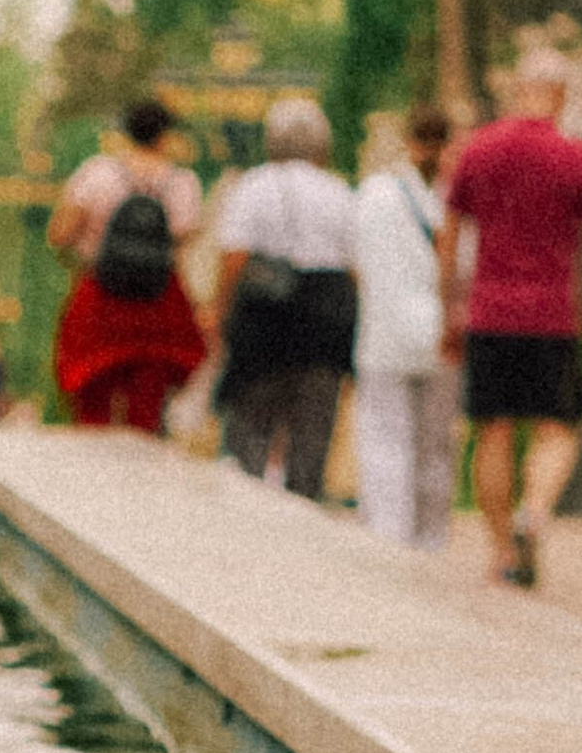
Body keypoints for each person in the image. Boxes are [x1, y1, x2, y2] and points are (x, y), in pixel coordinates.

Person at [439, 49, 582, 590]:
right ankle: (533, 514)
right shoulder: (580, 158)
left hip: (488, 312)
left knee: (492, 431)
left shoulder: (478, 150)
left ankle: (500, 551)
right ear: (562, 95)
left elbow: (450, 236)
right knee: (556, 430)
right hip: (552, 316)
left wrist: (451, 306)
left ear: (518, 89)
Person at [207, 95, 359, 499]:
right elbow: (355, 268)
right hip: (325, 320)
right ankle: (304, 515)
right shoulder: (339, 191)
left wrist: (220, 310)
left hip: (265, 318)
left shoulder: (254, 186)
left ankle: (245, 512)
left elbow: (235, 256)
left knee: (251, 428)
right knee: (311, 434)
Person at [46, 97, 207, 430]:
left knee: (92, 400)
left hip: (101, 295)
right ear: (165, 136)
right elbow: (185, 238)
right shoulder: (183, 183)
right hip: (159, 302)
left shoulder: (97, 173)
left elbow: (60, 234)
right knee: (147, 407)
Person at [350, 109, 457, 548]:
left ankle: (387, 536)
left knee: (385, 439)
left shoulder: (375, 192)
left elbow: (354, 260)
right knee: (436, 445)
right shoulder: (454, 196)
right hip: (439, 333)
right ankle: (430, 539)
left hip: (384, 332)